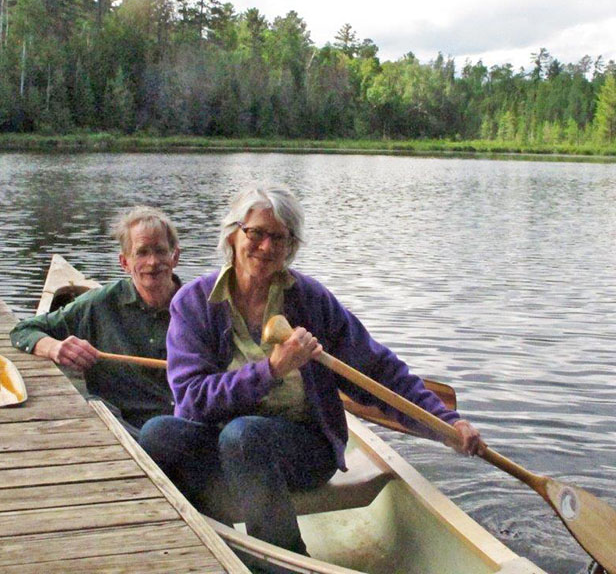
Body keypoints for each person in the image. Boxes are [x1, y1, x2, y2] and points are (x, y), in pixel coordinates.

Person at [139, 183, 482, 557]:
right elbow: (192, 402)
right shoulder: (194, 302)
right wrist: (270, 370)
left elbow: (379, 372)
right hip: (224, 440)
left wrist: (444, 423)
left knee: (244, 435)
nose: (266, 247)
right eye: (256, 233)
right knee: (158, 434)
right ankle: (211, 545)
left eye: (279, 238)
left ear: (291, 245)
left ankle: (284, 560)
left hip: (303, 449)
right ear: (233, 235)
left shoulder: (310, 299)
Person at [10, 206, 181, 438]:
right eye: (142, 253)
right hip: (123, 429)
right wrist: (55, 347)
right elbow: (23, 330)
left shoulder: (198, 307)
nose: (152, 262)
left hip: (182, 426)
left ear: (175, 257)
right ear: (124, 262)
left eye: (160, 251)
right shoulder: (99, 304)